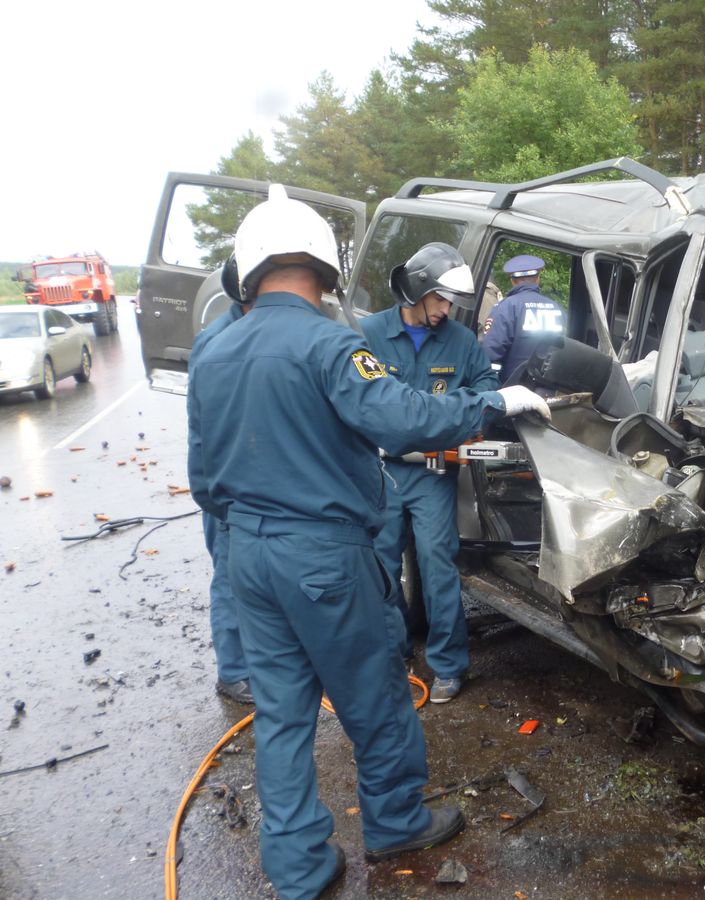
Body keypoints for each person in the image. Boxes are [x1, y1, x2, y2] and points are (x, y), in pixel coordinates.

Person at [187, 185, 550, 899]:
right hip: (323, 556)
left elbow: (203, 478)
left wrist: (245, 533)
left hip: (246, 555)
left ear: (251, 269)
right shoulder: (329, 344)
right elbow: (404, 419)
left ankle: (297, 867)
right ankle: (392, 823)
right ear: (323, 269)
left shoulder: (214, 348)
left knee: (284, 715)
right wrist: (491, 402)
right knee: (378, 697)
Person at [361, 243, 499, 704]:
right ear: (416, 291)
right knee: (380, 566)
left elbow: (487, 390)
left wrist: (463, 417)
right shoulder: (368, 335)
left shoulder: (460, 342)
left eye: (451, 302)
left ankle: (448, 664)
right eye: (439, 300)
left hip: (433, 471)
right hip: (379, 472)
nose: (446, 310)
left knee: (438, 564)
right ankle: (394, 652)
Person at [189, 254, 253, 705]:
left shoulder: (256, 332)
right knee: (231, 579)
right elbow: (204, 432)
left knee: (256, 580)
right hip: (228, 490)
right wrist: (216, 498)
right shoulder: (220, 343)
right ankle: (233, 672)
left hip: (259, 485)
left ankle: (259, 662)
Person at [481, 254, 565, 382]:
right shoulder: (557, 308)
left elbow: (489, 353)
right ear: (538, 279)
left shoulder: (506, 307)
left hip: (513, 391)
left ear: (513, 281)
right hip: (549, 392)